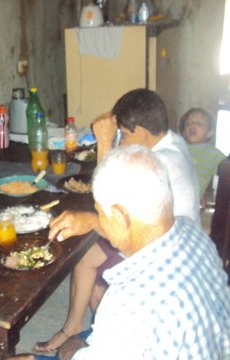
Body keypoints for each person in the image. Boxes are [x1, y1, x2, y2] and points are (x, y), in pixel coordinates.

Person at [10, 146, 230, 359]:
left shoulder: (129, 304)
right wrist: (93, 221)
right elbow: (133, 230)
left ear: (119, 216)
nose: (98, 217)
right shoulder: (191, 230)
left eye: (98, 211)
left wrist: (72, 351)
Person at [34, 89, 200, 353]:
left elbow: (107, 201)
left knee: (100, 281)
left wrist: (104, 142)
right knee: (86, 256)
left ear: (144, 131)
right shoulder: (170, 141)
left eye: (125, 133)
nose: (121, 140)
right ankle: (73, 327)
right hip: (167, 238)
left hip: (161, 255)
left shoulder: (161, 161)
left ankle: (117, 343)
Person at [179, 107, 226, 199]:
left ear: (210, 132)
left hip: (188, 203)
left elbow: (226, 172)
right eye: (188, 124)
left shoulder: (214, 154)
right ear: (184, 132)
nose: (192, 126)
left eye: (198, 123)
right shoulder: (177, 148)